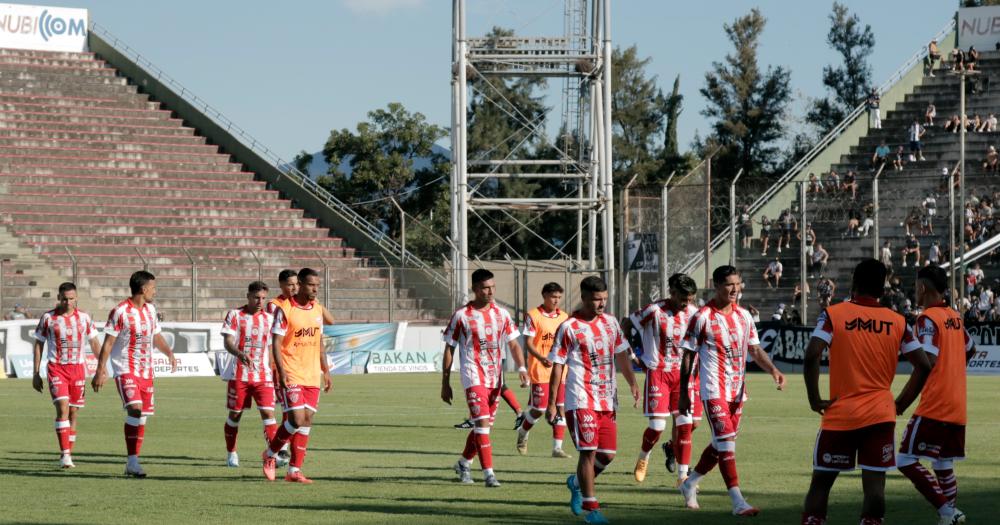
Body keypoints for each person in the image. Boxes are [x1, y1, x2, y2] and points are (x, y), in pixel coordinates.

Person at [801, 259, 933, 525]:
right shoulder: (897, 322)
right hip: (880, 416)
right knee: (875, 487)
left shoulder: (834, 314)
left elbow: (812, 354)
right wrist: (901, 403)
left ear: (854, 283)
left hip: (841, 415)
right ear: (882, 289)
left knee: (821, 484)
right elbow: (924, 365)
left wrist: (814, 398)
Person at [678, 266, 786, 516]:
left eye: (738, 284)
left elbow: (755, 350)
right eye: (729, 285)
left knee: (720, 444)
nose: (735, 289)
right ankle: (738, 502)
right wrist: (685, 392)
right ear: (716, 286)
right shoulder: (703, 316)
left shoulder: (745, 316)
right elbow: (688, 356)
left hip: (737, 391)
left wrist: (773, 370)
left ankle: (690, 483)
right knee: (726, 441)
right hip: (712, 388)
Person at [547, 276, 639, 525]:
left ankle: (575, 483)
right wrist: (553, 402)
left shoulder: (610, 323)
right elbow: (557, 366)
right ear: (585, 297)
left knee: (607, 455)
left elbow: (621, 355)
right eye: (597, 299)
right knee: (587, 453)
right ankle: (592, 510)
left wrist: (632, 382)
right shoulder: (569, 327)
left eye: (605, 299)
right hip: (580, 398)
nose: (601, 304)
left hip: (607, 399)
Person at [897, 266, 974, 524]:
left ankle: (946, 511)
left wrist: (902, 402)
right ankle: (952, 516)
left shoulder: (926, 319)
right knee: (943, 464)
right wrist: (951, 368)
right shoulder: (954, 317)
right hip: (957, 404)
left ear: (922, 288)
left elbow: (927, 361)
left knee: (905, 459)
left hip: (935, 405)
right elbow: (970, 349)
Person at [441, 269, 527, 488]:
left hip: (495, 379)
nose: (490, 291)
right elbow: (449, 348)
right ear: (475, 289)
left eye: (492, 287)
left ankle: (463, 463)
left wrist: (522, 367)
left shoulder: (502, 314)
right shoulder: (462, 315)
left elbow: (514, 344)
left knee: (484, 426)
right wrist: (445, 383)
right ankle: (489, 474)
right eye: (485, 288)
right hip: (472, 375)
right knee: (481, 423)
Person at [91, 271, 178, 478]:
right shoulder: (120, 311)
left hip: (146, 371)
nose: (155, 292)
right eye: (153, 288)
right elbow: (108, 343)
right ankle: (132, 460)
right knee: (135, 410)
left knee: (142, 416)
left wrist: (169, 353)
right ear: (143, 289)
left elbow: (156, 336)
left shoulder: (150, 310)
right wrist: (100, 369)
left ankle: (132, 463)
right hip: (125, 369)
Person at [626, 274, 699, 487]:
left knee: (686, 425)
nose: (687, 303)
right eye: (683, 298)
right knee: (657, 426)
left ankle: (683, 476)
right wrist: (630, 353)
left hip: (683, 375)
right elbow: (626, 323)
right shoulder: (654, 310)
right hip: (658, 372)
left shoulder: (694, 314)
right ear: (672, 293)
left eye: (691, 299)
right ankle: (644, 456)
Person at [261, 268, 333, 484]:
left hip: (312, 373)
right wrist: (280, 371)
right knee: (296, 419)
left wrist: (326, 370)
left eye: (317, 286)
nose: (315, 289)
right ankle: (270, 454)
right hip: (291, 370)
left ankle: (294, 470)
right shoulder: (285, 309)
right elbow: (276, 342)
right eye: (311, 285)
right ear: (300, 284)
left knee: (307, 420)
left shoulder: (317, 309)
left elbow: (319, 340)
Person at [31, 282, 100, 468]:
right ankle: (65, 454)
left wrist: (102, 367)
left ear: (76, 298)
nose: (68, 302)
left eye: (71, 299)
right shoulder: (48, 318)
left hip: (78, 370)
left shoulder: (84, 318)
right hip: (57, 368)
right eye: (64, 298)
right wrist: (35, 372)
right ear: (58, 298)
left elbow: (94, 342)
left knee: (73, 413)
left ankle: (68, 452)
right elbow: (39, 344)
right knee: (62, 408)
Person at [220, 281, 277, 468]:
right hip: (239, 375)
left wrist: (273, 370)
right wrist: (239, 354)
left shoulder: (269, 319)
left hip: (263, 376)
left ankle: (272, 455)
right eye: (256, 297)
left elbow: (271, 348)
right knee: (235, 415)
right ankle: (231, 453)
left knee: (269, 413)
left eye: (263, 298)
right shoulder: (235, 315)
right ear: (248, 296)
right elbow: (228, 342)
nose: (260, 301)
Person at [515, 282, 571, 458]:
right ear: (545, 296)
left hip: (561, 370)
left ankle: (557, 448)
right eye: (553, 297)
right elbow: (529, 343)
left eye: (559, 297)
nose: (556, 301)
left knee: (561, 407)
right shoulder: (533, 315)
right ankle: (523, 433)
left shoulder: (564, 316)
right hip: (540, 369)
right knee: (539, 409)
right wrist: (541, 357)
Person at [265, 269, 299, 466]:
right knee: (283, 408)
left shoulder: (303, 304)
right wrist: (271, 364)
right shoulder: (275, 306)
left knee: (291, 408)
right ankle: (279, 450)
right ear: (281, 285)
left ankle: (282, 449)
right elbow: (271, 338)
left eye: (296, 284)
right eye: (289, 284)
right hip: (280, 364)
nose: (294, 287)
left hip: (296, 364)